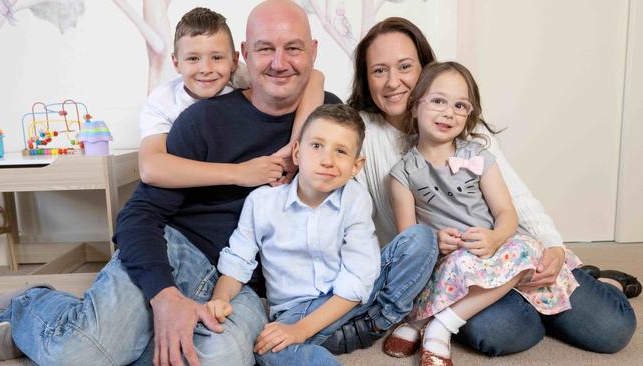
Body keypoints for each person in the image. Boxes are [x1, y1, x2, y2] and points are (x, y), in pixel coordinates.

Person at [0, 1, 339, 365]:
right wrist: (164, 295)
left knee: (215, 360)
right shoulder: (202, 117)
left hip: (241, 286)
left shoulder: (330, 123)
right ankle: (31, 306)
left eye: (294, 48)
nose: (279, 62)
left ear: (314, 52)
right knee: (79, 352)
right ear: (245, 55)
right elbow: (138, 215)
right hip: (178, 252)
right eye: (266, 48)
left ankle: (120, 336)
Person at [349, 17, 637, 359]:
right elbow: (368, 226)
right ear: (366, 79)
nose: (393, 81)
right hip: (452, 268)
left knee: (613, 328)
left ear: (425, 70)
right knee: (507, 331)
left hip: (502, 247)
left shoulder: (461, 130)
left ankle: (591, 280)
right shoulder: (358, 134)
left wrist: (553, 247)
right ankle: (528, 295)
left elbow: (513, 200)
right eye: (379, 70)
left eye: (405, 66)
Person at [206, 104, 437, 366]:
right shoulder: (261, 203)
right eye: (316, 146)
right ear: (296, 152)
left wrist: (301, 332)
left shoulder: (355, 197)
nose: (327, 160)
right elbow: (237, 262)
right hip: (297, 311)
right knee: (267, 348)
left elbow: (359, 277)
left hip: (354, 303)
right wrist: (220, 299)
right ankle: (333, 345)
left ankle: (381, 321)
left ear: (356, 165)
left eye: (341, 151)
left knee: (421, 238)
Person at [389, 61, 585, 365]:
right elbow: (407, 236)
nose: (448, 112)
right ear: (414, 107)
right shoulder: (403, 173)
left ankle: (443, 324)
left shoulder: (479, 156)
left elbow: (507, 212)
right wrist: (435, 239)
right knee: (441, 274)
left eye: (460, 105)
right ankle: (418, 321)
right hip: (453, 257)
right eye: (438, 101)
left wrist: (495, 238)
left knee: (525, 249)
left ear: (469, 115)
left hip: (496, 248)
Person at [138, 7, 326, 189]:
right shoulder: (163, 101)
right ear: (176, 63)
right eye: (193, 59)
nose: (206, 69)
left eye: (217, 58)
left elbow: (315, 77)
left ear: (235, 61)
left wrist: (296, 143)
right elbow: (151, 169)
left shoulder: (240, 76)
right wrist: (240, 173)